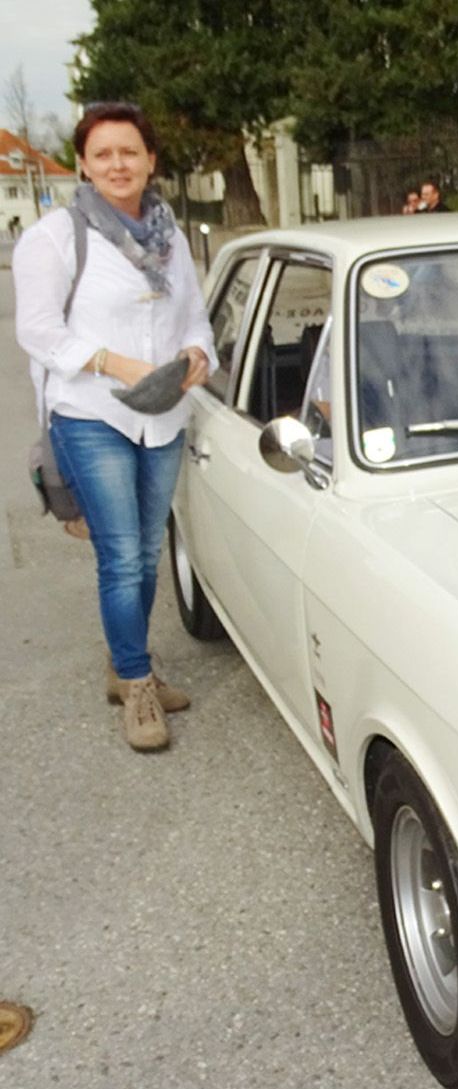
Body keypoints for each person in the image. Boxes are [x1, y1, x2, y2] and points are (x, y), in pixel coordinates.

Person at [12, 102, 216, 753]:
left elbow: (192, 316)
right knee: (122, 555)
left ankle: (125, 663)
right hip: (93, 413)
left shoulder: (170, 236)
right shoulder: (53, 236)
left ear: (151, 160)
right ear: (83, 164)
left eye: (129, 152)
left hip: (163, 418)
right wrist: (110, 361)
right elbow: (38, 329)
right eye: (103, 154)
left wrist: (198, 353)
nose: (117, 164)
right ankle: (136, 682)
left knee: (147, 550)